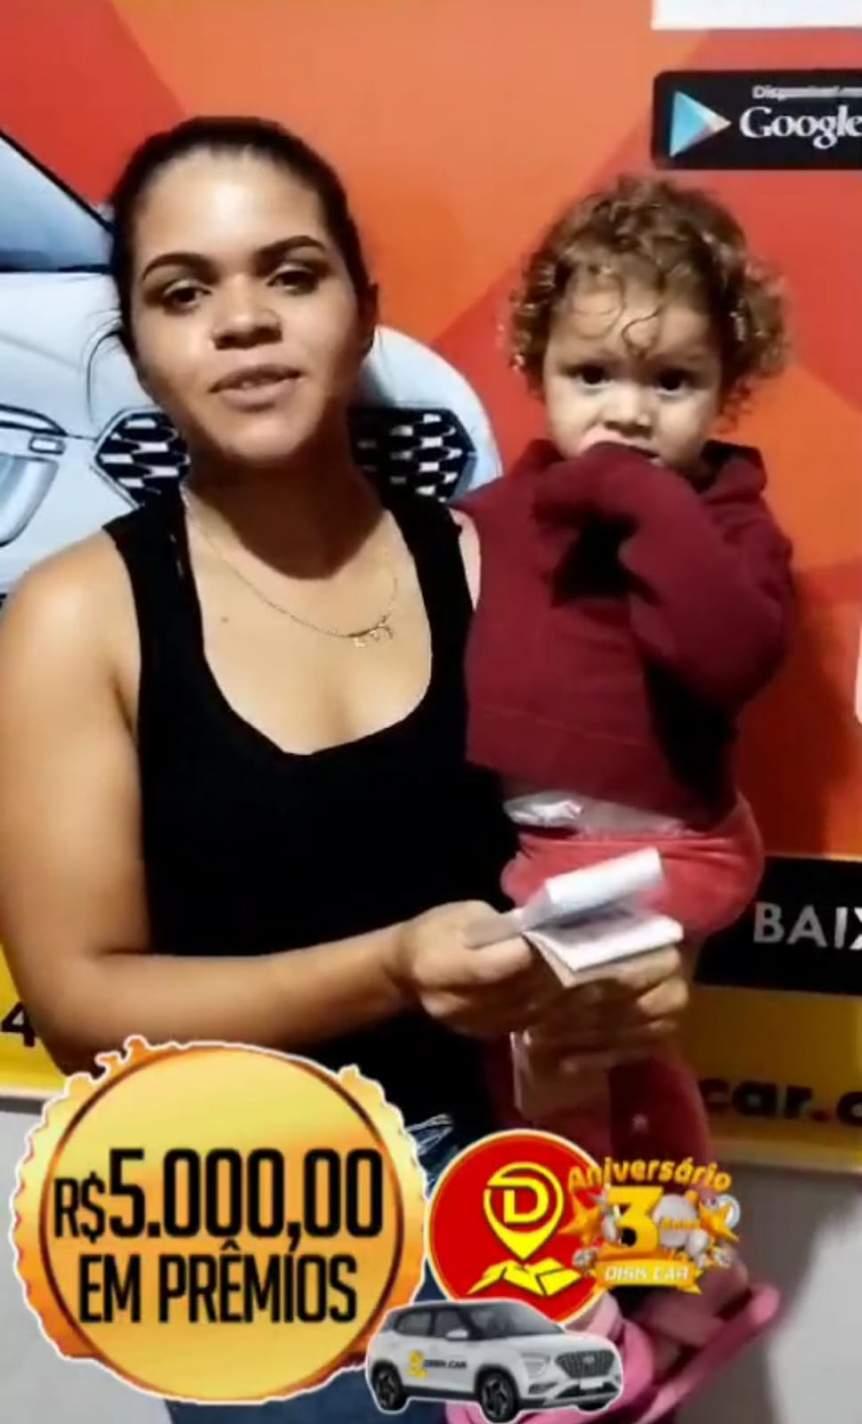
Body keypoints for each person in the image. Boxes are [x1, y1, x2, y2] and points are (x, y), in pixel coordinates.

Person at [0, 121, 689, 1422]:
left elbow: (609, 863)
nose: (244, 322)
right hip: (245, 1244)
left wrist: (622, 978)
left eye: (291, 273)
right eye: (184, 292)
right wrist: (392, 966)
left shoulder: (500, 571)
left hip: (519, 1206)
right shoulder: (75, 616)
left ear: (363, 313)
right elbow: (82, 1003)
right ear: (135, 346)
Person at [458, 174, 792, 1420]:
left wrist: (646, 499)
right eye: (591, 373)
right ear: (535, 369)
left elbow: (729, 653)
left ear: (727, 387)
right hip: (549, 849)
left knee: (543, 1053)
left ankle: (574, 1314)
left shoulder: (725, 519)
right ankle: (693, 1275)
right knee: (624, 1064)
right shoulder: (498, 518)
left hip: (674, 847)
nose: (629, 413)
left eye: (673, 381)